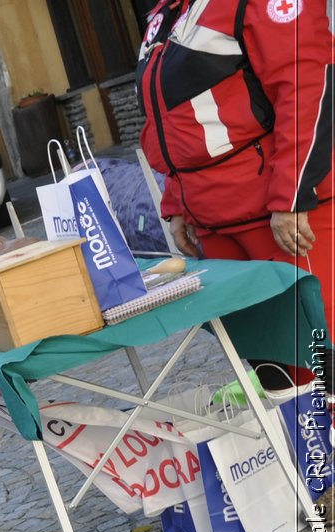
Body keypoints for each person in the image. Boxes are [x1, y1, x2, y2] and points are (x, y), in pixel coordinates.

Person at [136, 0, 334, 345]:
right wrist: (177, 204)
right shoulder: (167, 11)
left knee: (320, 349)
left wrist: (292, 195)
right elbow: (167, 122)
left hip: (282, 216)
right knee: (274, 362)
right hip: (215, 226)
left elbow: (305, 86)